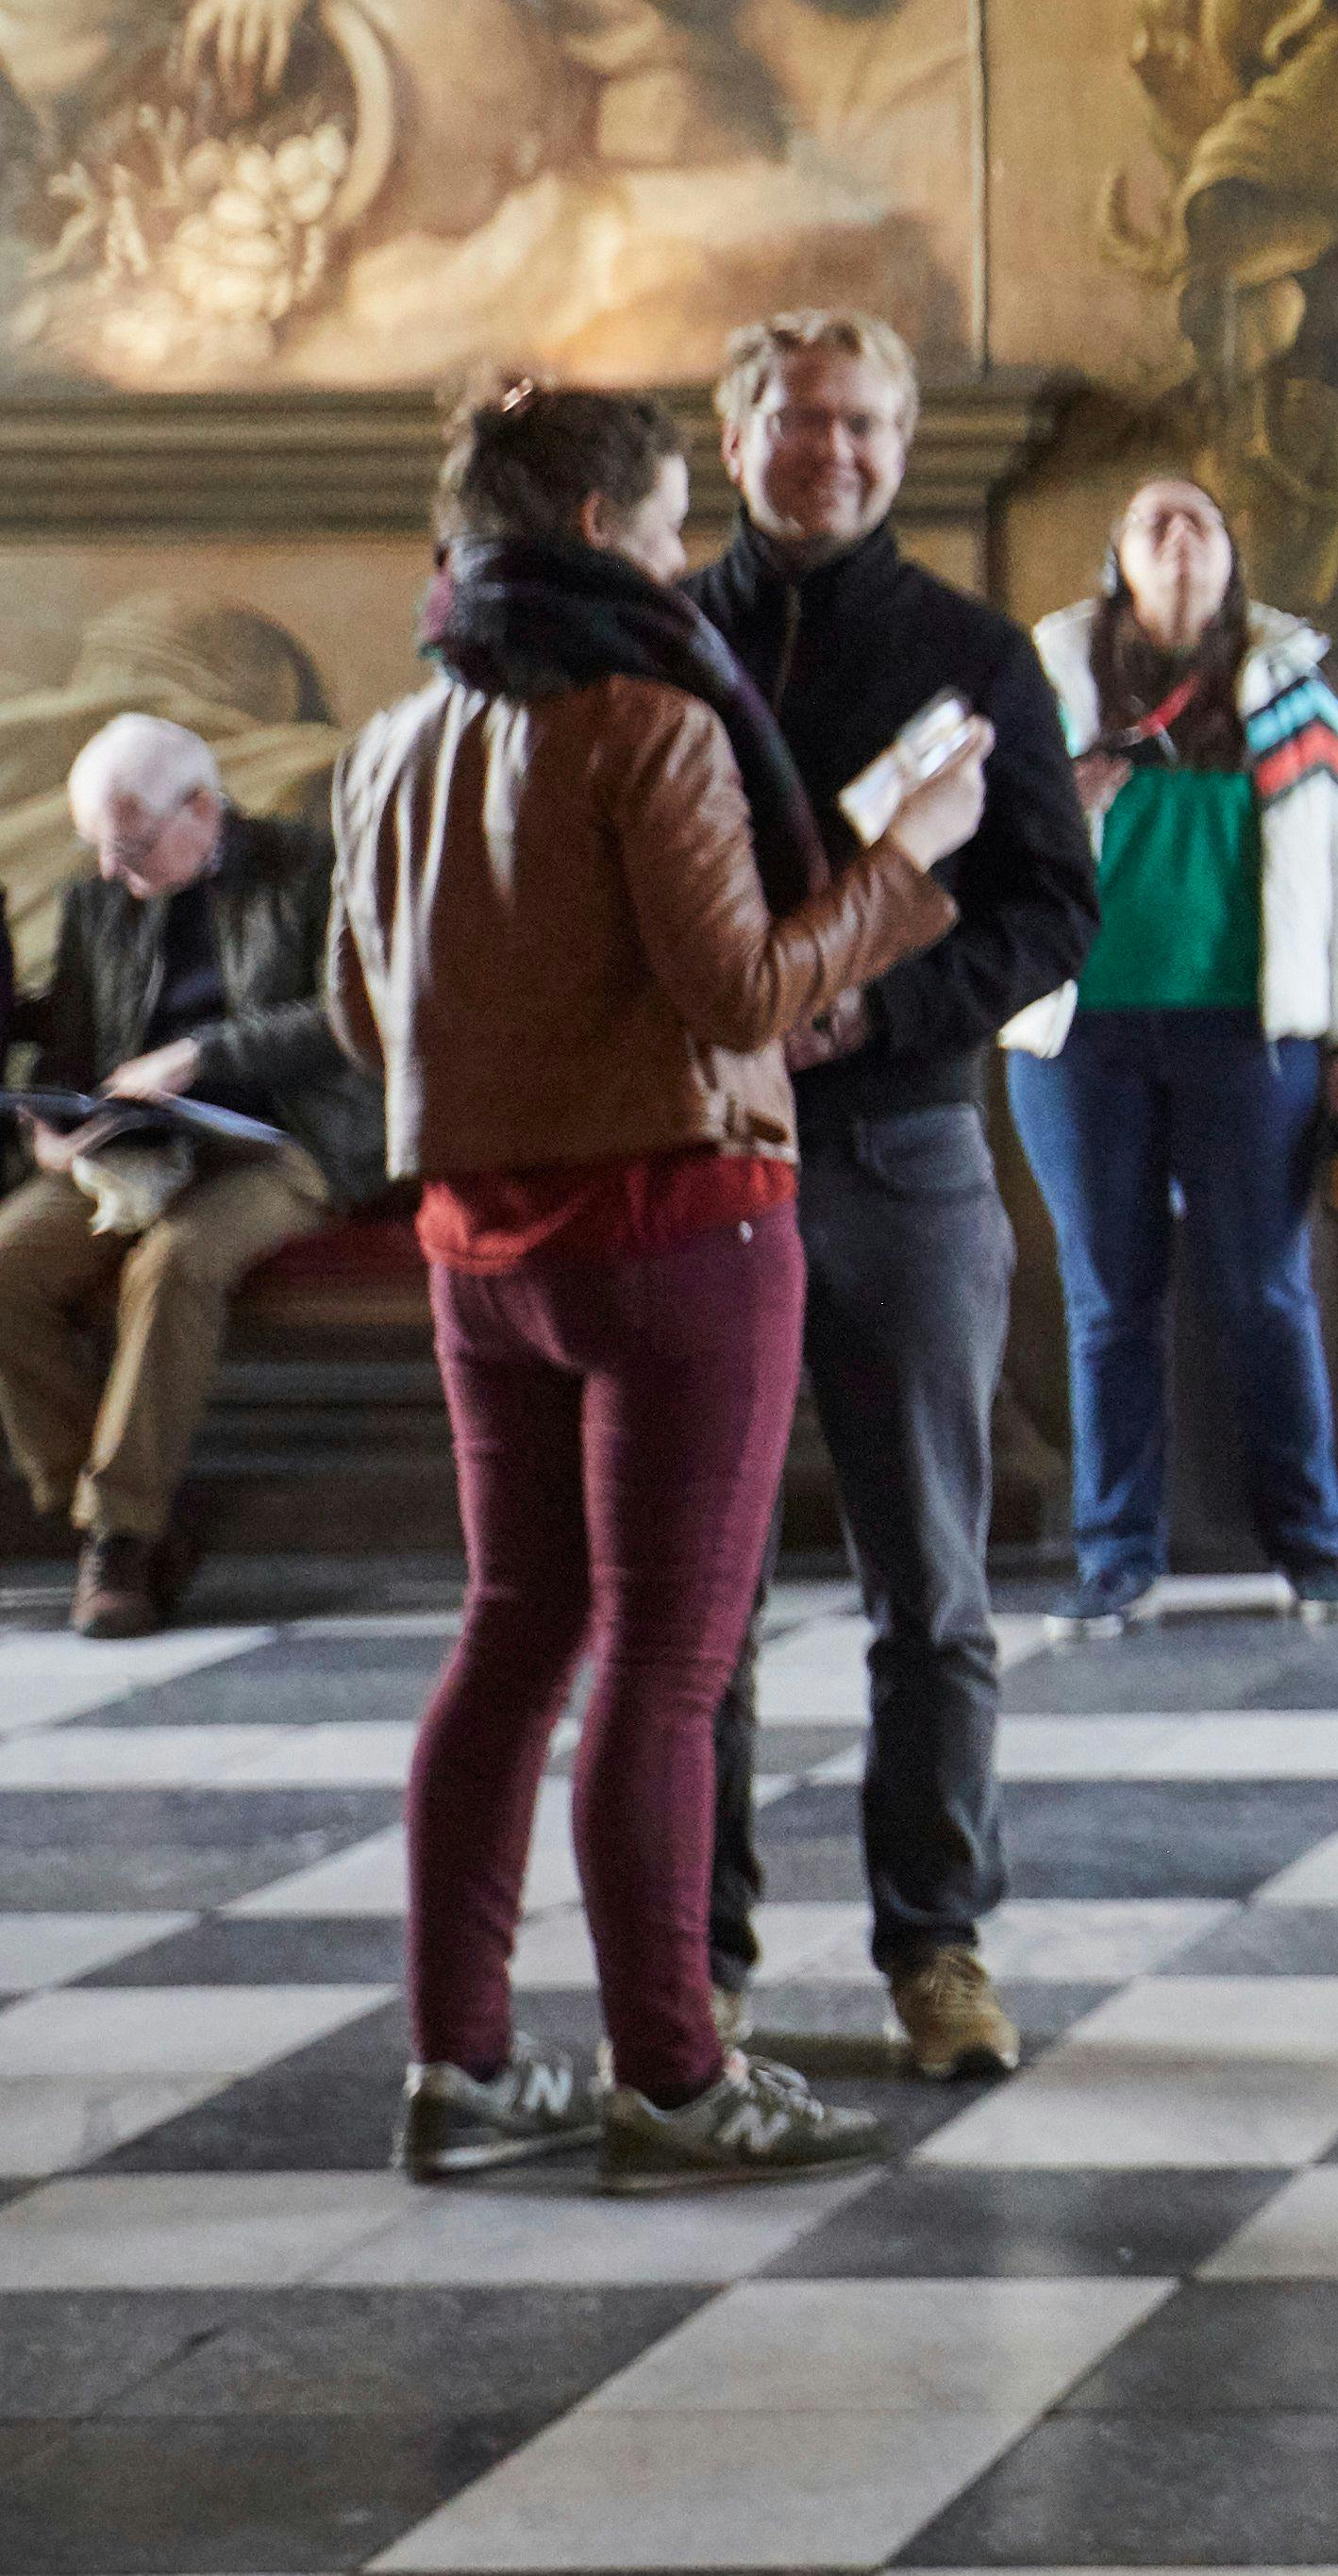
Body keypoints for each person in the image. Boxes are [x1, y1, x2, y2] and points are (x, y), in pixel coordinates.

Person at [326, 375, 987, 2191]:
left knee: (510, 1636)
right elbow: (743, 994)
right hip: (683, 1225)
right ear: (601, 528)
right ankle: (676, 2081)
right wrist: (905, 868)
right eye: (676, 523)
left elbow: (361, 1020)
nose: (687, 558)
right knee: (669, 1662)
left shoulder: (395, 741)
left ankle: (460, 2066)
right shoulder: (648, 719)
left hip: (480, 1244)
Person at [680, 310, 1095, 2088]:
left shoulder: (971, 651)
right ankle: (696, 1963)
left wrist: (879, 1009)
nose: (827, 450)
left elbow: (1050, 909)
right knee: (697, 1596)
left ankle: (936, 1944)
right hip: (698, 1154)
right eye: (795, 418)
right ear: (735, 436)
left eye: (859, 423)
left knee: (929, 1582)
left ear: (901, 446)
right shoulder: (665, 636)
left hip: (903, 1151)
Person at [998, 477, 1338, 1643]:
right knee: (1108, 1303)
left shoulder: (1291, 691)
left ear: (1230, 556)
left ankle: (1313, 1550)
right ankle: (1116, 1558)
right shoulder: (1050, 682)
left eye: (1200, 524)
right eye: (1152, 524)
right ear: (1116, 557)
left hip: (1249, 1033)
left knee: (1266, 1293)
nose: (1178, 541)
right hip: (1081, 1034)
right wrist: (1056, 799)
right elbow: (963, 829)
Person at [3, 717, 382, 1635]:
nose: (110, 869)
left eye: (131, 846)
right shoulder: (101, 899)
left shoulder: (311, 869)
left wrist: (200, 1054)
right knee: (6, 1265)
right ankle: (109, 1511)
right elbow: (74, 1045)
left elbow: (352, 1015)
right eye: (99, 846)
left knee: (173, 1263)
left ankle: (120, 1539)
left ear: (203, 809)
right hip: (137, 1149)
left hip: (288, 1141)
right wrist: (52, 1127)